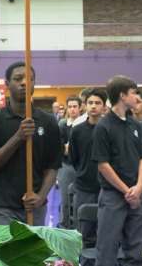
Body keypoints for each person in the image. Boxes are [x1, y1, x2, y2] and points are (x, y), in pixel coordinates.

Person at [0, 61, 62, 225]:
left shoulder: (48, 122)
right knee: (8, 251)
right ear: (7, 84)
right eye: (18, 78)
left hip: (34, 207)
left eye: (30, 79)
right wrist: (18, 137)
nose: (24, 82)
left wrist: (41, 197)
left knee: (33, 251)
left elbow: (52, 167)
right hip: (2, 207)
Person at [92, 75, 142, 266]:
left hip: (137, 193)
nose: (137, 97)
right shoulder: (103, 126)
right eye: (133, 93)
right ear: (123, 95)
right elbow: (103, 165)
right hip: (113, 195)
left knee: (136, 250)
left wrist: (139, 186)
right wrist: (127, 191)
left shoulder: (134, 124)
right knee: (107, 249)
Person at [68, 87, 106, 266]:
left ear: (104, 106)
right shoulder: (77, 130)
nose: (93, 106)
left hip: (107, 188)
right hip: (83, 186)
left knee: (107, 234)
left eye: (98, 103)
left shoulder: (110, 129)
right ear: (85, 105)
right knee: (84, 232)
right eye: (90, 103)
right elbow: (74, 159)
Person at [57, 94, 81, 229]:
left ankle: (78, 229)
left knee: (79, 201)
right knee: (65, 201)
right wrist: (69, 148)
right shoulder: (62, 125)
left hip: (81, 167)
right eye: (70, 107)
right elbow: (61, 149)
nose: (72, 109)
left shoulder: (84, 124)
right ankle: (63, 228)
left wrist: (69, 147)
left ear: (80, 108)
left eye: (75, 107)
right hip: (66, 165)